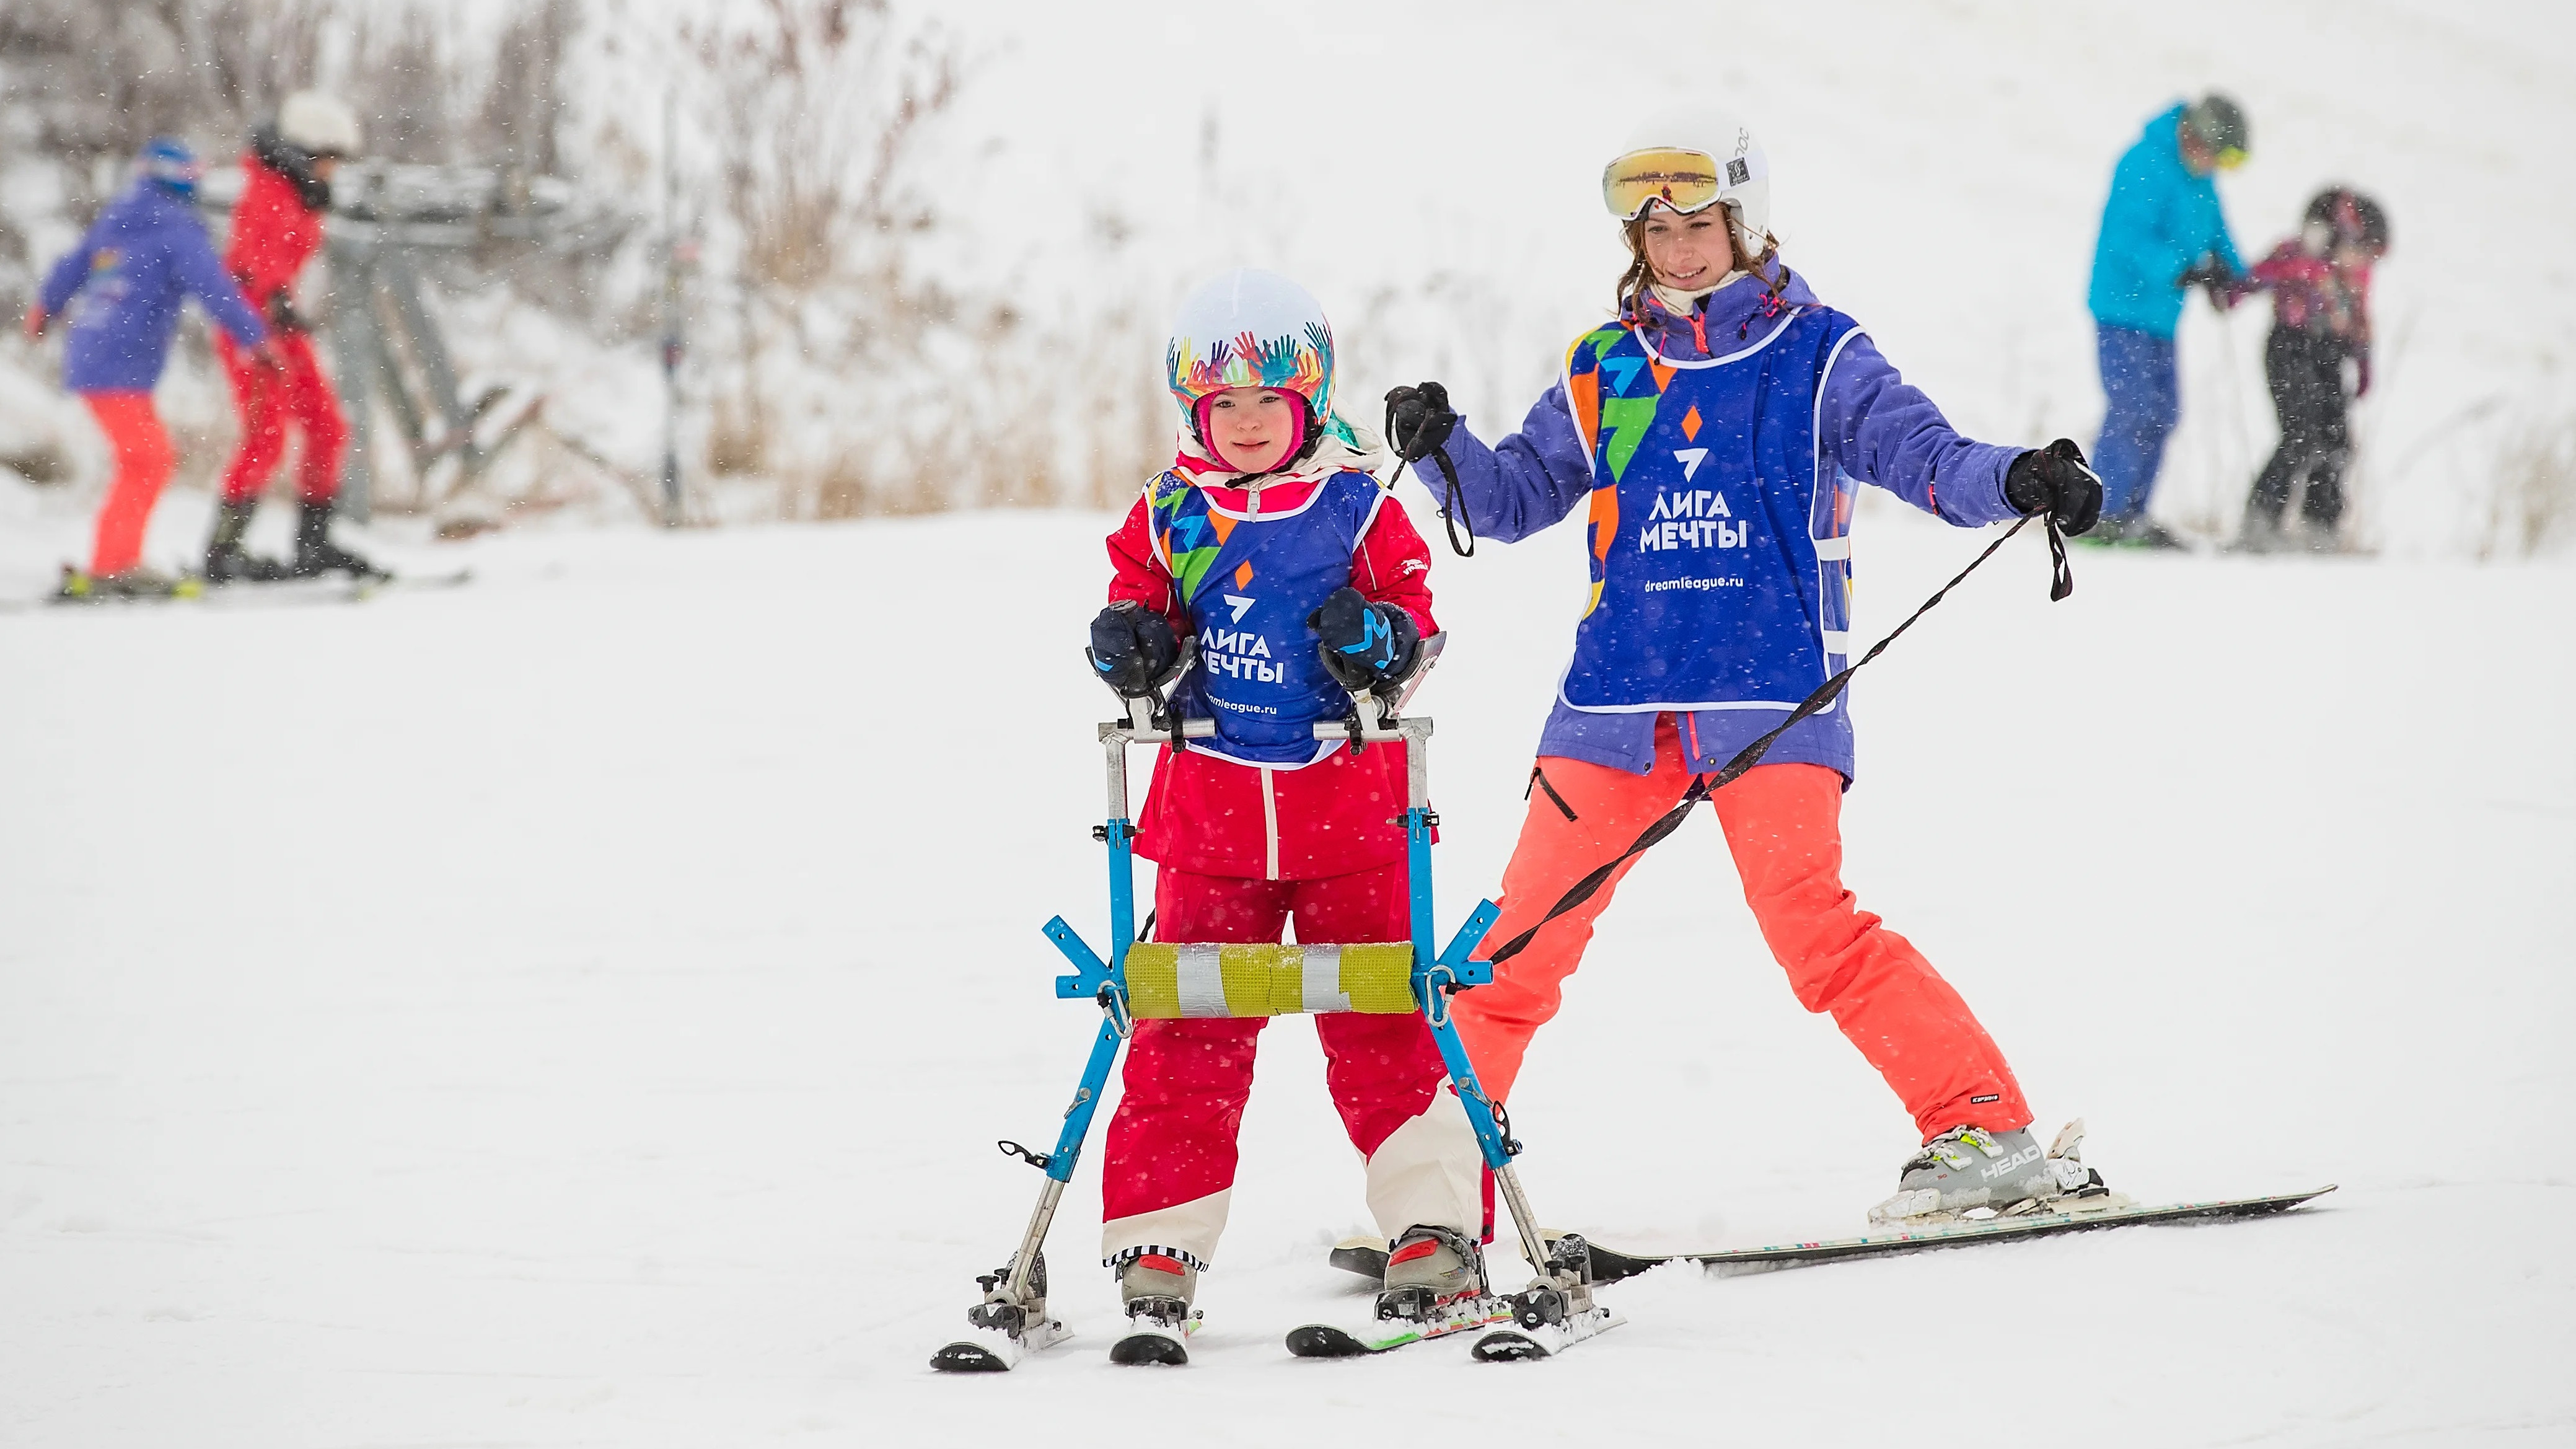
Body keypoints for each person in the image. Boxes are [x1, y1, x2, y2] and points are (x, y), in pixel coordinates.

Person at [1379, 114, 2108, 1224]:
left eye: (1698, 224)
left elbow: (1926, 456)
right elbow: (1512, 499)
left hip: (1769, 698)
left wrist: (2018, 479)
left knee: (1812, 930)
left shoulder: (1818, 355)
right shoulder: (1606, 365)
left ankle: (1985, 1130)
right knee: (1512, 945)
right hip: (1613, 704)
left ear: (1745, 223)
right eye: (1654, 229)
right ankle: (1433, 1194)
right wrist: (1442, 452)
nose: (1675, 249)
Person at [1080, 268, 1487, 1362]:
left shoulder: (1355, 502)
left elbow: (1415, 618)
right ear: (1194, 414)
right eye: (1226, 408)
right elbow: (1142, 604)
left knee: (1384, 1022)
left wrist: (1381, 640)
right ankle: (1159, 1241)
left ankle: (1433, 1225)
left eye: (1269, 404)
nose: (1249, 424)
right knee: (1188, 1030)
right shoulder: (1173, 511)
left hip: (1349, 816)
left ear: (1308, 404)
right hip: (1209, 823)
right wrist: (1135, 640)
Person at [25, 139, 275, 598]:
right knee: (148, 461)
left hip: (93, 351)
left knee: (142, 461)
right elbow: (214, 287)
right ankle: (113, 565)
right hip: (120, 359)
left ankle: (117, 561)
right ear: (179, 178)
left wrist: (46, 307)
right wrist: (255, 338)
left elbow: (72, 265)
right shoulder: (177, 228)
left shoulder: (120, 219)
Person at [206, 90, 376, 582]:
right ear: (302, 155)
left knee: (328, 427)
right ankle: (222, 552)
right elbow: (249, 258)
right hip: (251, 327)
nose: (333, 172)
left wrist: (285, 303)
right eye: (328, 161)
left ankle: (313, 544)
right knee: (267, 435)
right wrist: (272, 295)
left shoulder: (302, 196)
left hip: (280, 322)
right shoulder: (267, 190)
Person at [2085, 92, 2251, 548]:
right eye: (2216, 156)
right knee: (2132, 407)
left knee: (2163, 412)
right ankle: (2100, 514)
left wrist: (2232, 278)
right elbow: (2127, 238)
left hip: (2160, 315)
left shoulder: (2200, 179)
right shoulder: (2143, 163)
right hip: (2121, 310)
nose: (2215, 166)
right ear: (2195, 137)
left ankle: (2132, 514)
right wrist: (2182, 267)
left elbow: (2216, 234)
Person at [2230, 188, 2389, 551]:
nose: (2361, 261)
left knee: (2336, 439)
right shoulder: (2296, 256)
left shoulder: (2358, 274)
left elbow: (2360, 318)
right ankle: (2260, 522)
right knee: (2300, 433)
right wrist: (2231, 289)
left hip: (2331, 354)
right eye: (2359, 249)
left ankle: (2322, 525)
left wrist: (2363, 360)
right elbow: (2253, 279)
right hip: (2290, 347)